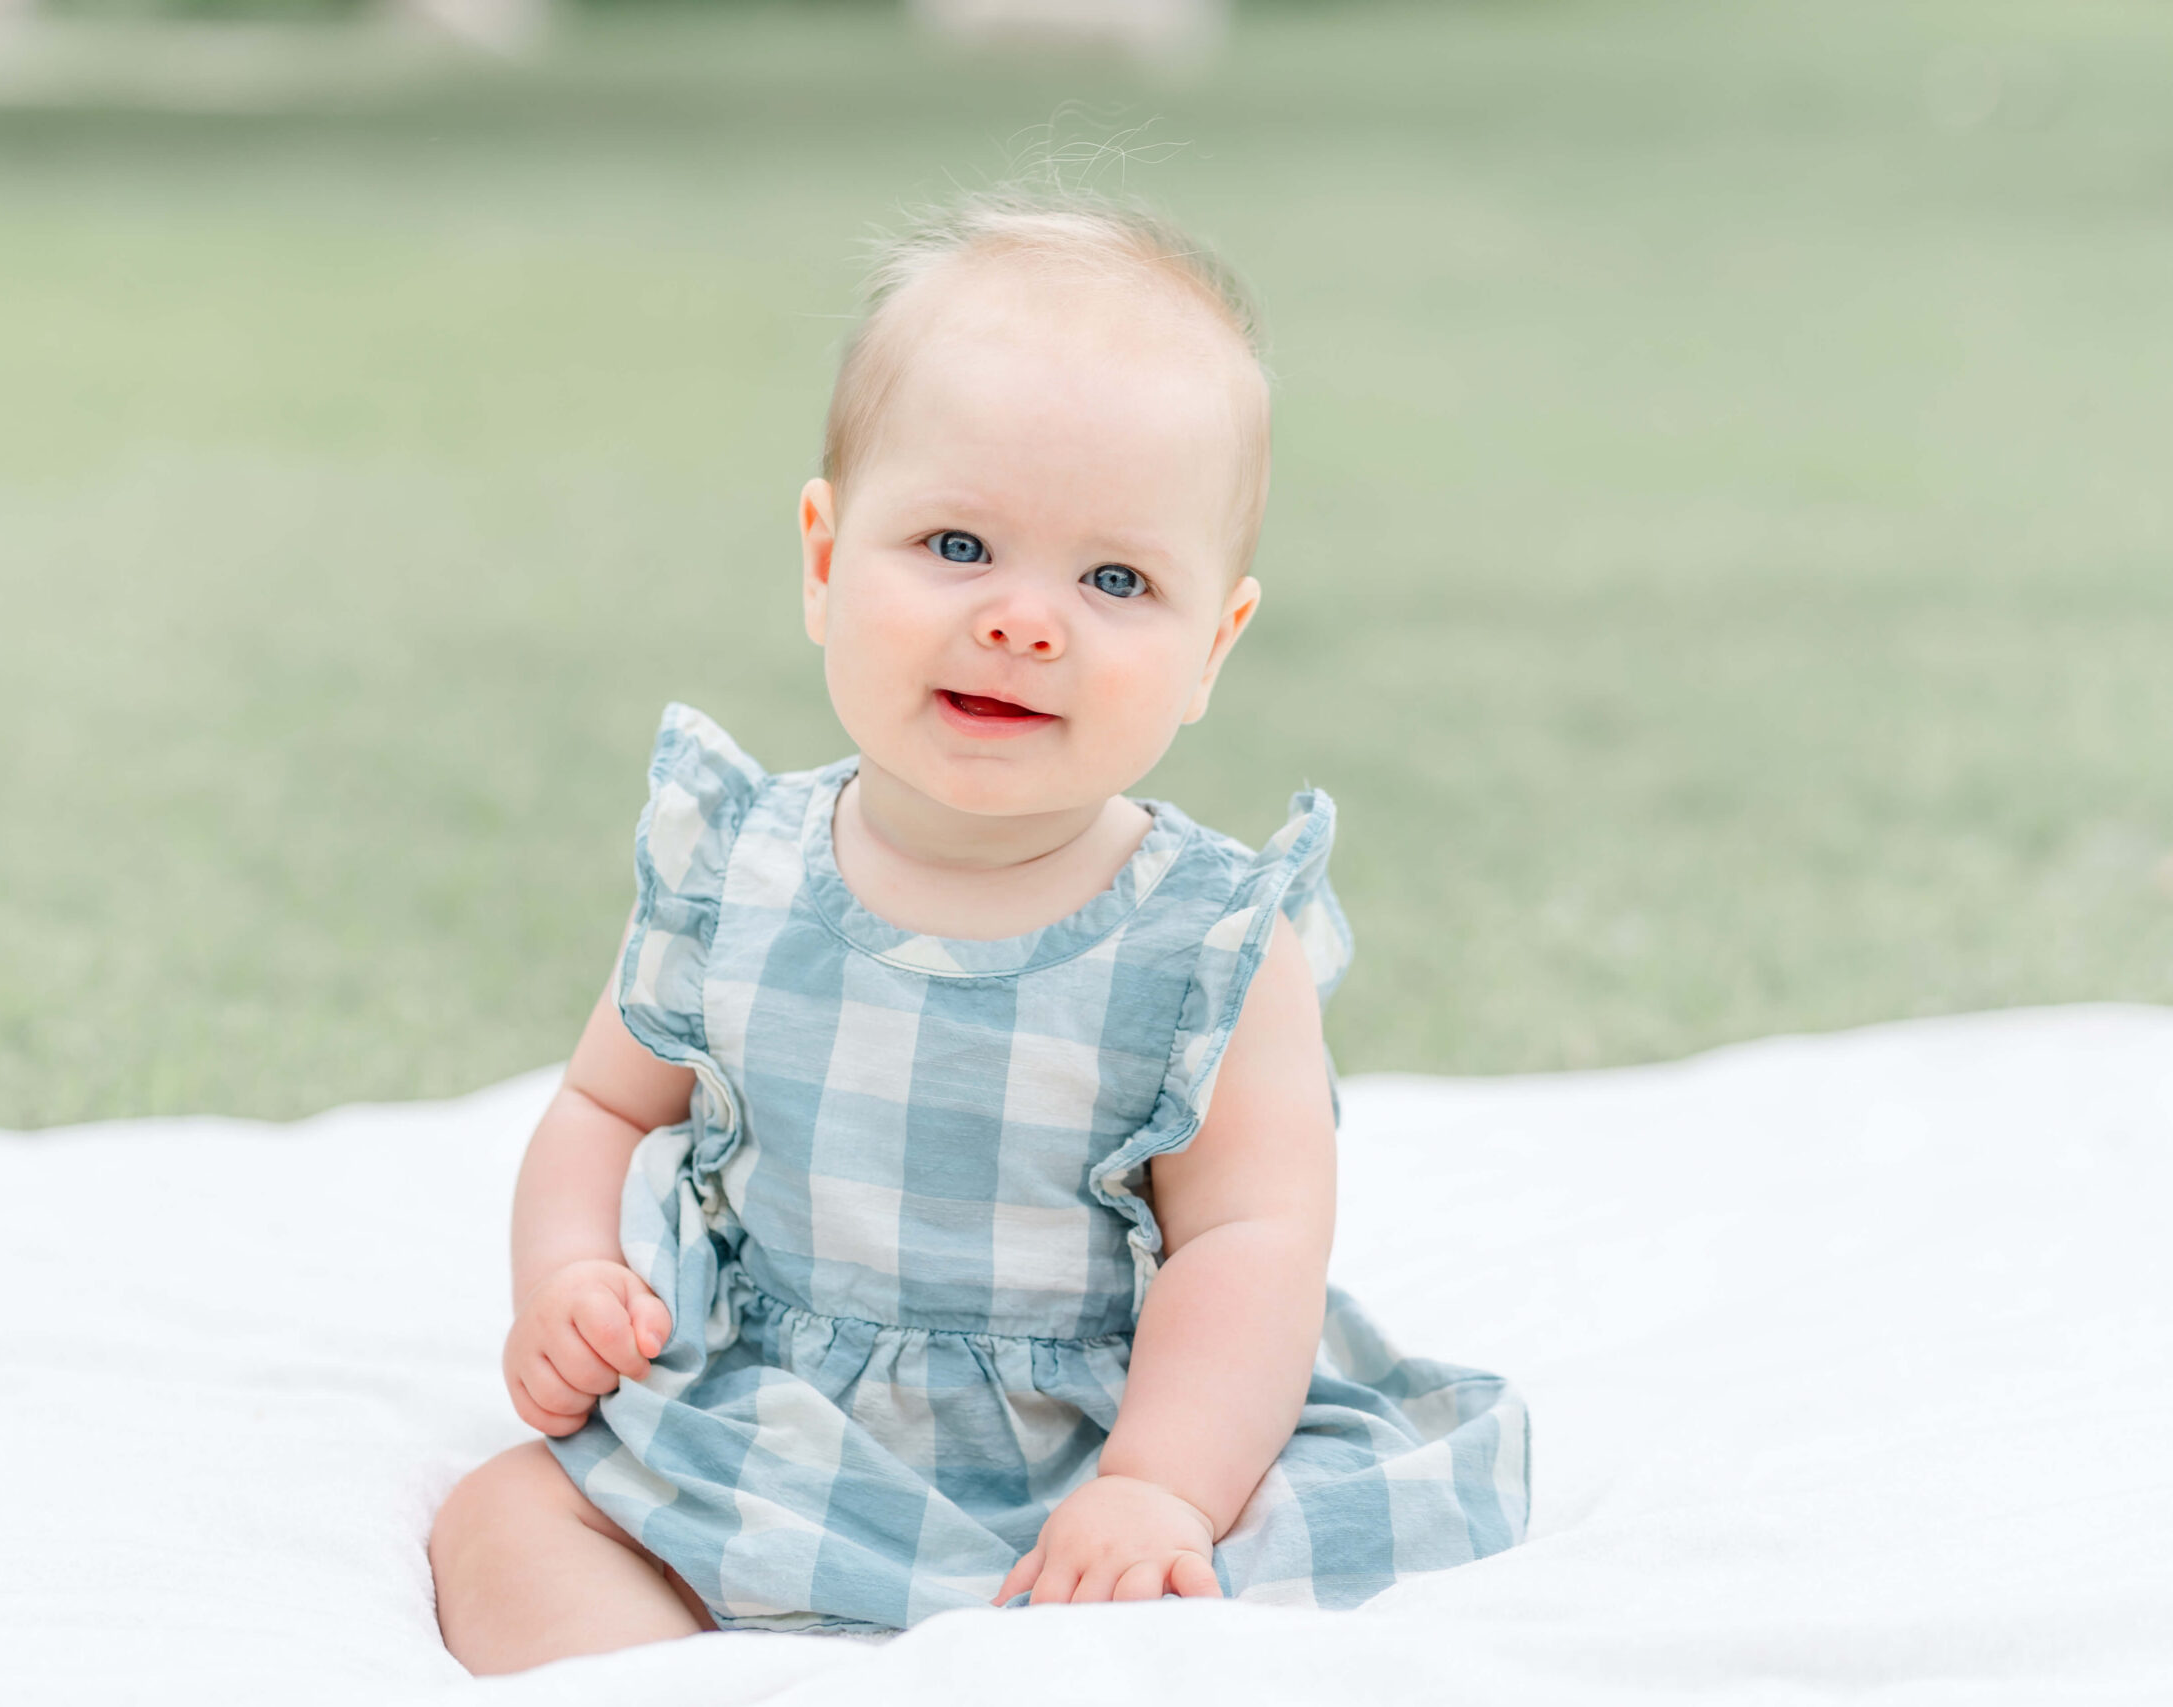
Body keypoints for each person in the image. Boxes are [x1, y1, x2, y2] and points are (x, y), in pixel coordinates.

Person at [429, 190, 1529, 1675]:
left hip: (1105, 1438)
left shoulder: (1209, 946)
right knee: (507, 1523)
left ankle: (1066, 1624)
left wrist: (1162, 1484)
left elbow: (1253, 1249)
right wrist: (566, 1277)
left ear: (1215, 646)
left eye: (1116, 580)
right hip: (776, 1405)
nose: (1024, 620)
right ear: (824, 561)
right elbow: (604, 1103)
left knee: (1242, 1594)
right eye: (956, 544)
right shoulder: (733, 867)